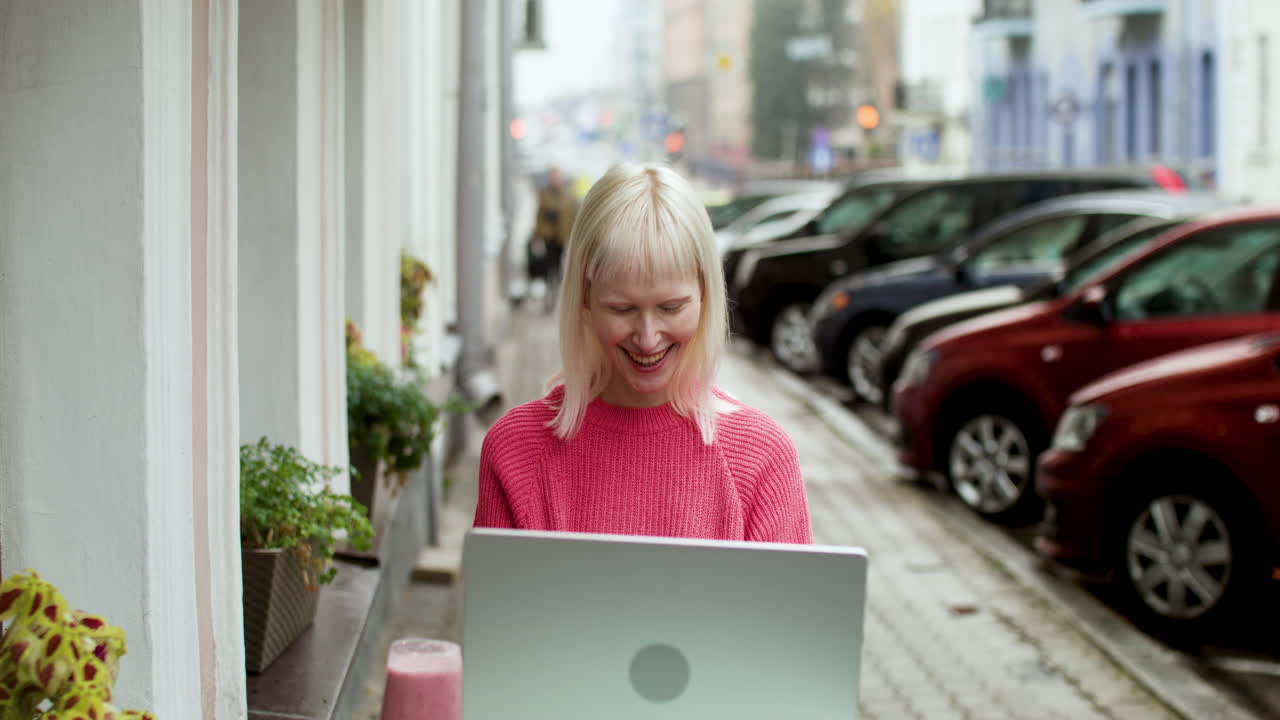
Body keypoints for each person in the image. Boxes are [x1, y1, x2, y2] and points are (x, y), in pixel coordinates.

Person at [475, 163, 812, 543]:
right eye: (622, 309)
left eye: (670, 308)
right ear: (584, 298)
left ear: (705, 293)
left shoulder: (762, 460)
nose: (648, 339)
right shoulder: (516, 452)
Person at [529, 166, 577, 312]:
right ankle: (549, 297)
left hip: (561, 239)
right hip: (548, 238)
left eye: (558, 177)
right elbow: (539, 217)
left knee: (559, 269)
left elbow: (572, 217)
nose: (556, 180)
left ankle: (556, 296)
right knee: (548, 268)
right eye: (553, 177)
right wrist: (537, 236)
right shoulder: (545, 195)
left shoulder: (568, 196)